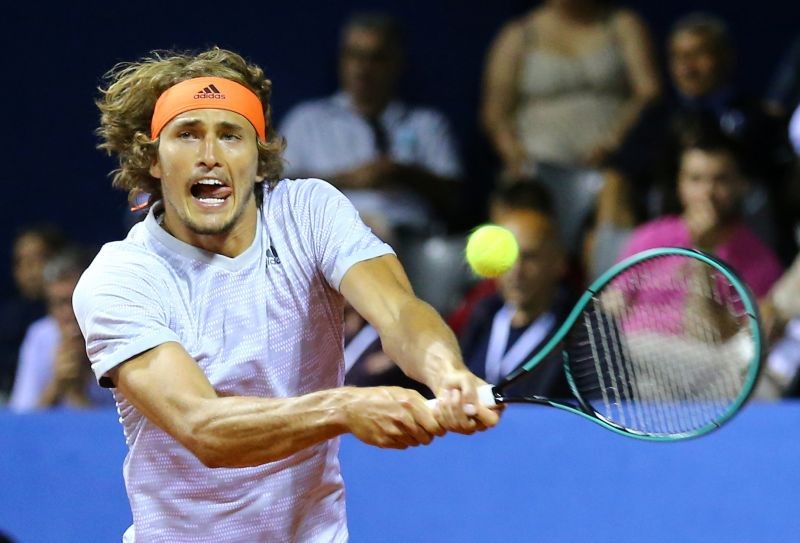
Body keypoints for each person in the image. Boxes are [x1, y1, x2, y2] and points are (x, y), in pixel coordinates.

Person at [75, 47, 499, 542]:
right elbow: (204, 427)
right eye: (187, 134)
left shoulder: (309, 213)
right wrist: (343, 409)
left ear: (259, 161)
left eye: (230, 135)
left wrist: (448, 373)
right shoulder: (121, 278)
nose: (209, 154)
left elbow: (399, 311)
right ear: (152, 158)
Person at [480, 0, 661, 252]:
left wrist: (614, 142)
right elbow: (495, 113)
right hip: (537, 172)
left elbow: (648, 92)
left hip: (609, 168)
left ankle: (609, 282)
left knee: (616, 190)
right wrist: (518, 160)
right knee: (519, 201)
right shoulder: (519, 34)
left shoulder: (622, 25)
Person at [279, 12, 463, 244]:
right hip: (330, 240)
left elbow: (453, 198)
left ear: (397, 62)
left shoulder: (427, 123)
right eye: (354, 55)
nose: (363, 68)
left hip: (412, 241)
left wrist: (400, 173)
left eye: (376, 58)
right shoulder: (307, 120)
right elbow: (279, 191)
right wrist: (347, 179)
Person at [617, 130, 783, 302]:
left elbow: (734, 328)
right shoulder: (648, 237)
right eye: (696, 179)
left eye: (721, 179)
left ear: (742, 184)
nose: (708, 192)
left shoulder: (761, 260)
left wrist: (704, 252)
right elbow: (612, 303)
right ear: (679, 184)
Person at [459, 208, 575, 397]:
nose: (516, 271)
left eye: (529, 257)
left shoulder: (578, 331)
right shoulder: (483, 314)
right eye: (507, 258)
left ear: (558, 263)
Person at [9, 246, 113, 411]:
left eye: (73, 301)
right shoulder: (39, 336)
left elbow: (126, 428)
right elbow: (21, 422)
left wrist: (77, 393)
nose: (68, 313)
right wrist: (58, 384)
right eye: (58, 303)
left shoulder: (115, 334)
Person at [0, 225, 67, 402]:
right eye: (21, 261)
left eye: (38, 258)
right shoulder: (10, 319)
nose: (29, 270)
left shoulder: (83, 319)